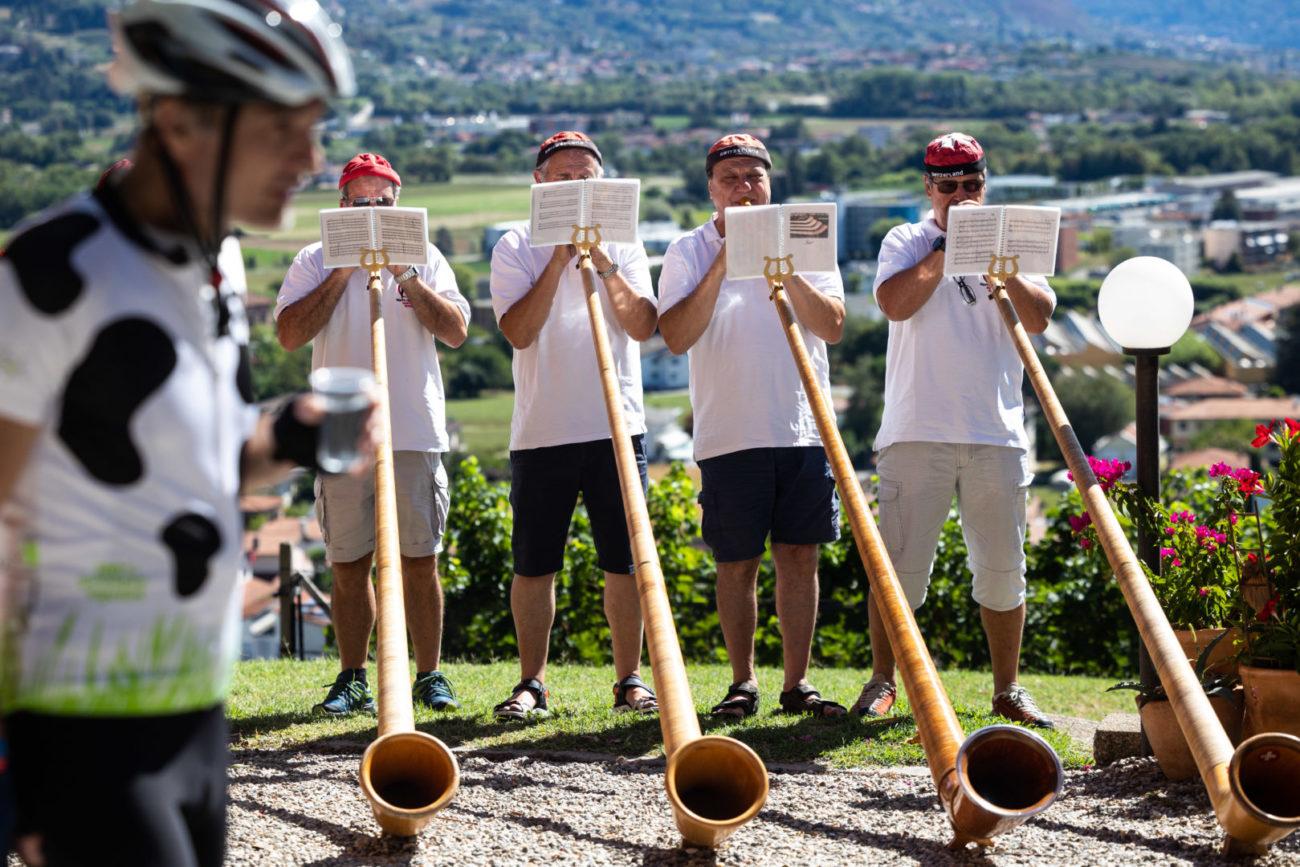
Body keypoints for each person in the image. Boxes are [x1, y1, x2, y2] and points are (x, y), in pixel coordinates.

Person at [0, 1, 357, 864]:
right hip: (79, 722)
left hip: (194, 705)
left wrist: (290, 437)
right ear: (181, 119)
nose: (311, 161)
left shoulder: (211, 262)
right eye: (283, 129)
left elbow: (203, 464)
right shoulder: (53, 273)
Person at [851, 132, 1057, 729]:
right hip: (916, 429)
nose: (961, 195)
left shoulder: (1011, 242)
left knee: (1002, 570)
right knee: (899, 571)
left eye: (971, 185)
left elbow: (1040, 317)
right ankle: (882, 682)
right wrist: (949, 247)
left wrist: (999, 266)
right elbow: (894, 304)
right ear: (928, 188)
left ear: (984, 186)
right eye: (948, 187)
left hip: (995, 431)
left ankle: (1008, 689)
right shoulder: (906, 239)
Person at [657, 134, 848, 718]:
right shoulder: (686, 250)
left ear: (770, 183)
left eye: (754, 177)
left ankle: (797, 684)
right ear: (711, 190)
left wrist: (782, 266)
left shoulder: (807, 234)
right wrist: (727, 257)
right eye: (731, 178)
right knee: (736, 563)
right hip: (730, 430)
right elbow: (676, 336)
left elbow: (833, 325)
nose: (744, 187)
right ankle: (742, 682)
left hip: (802, 427)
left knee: (800, 558)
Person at [275, 153, 471, 716]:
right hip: (343, 432)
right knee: (348, 562)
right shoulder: (313, 259)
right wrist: (343, 270)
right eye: (360, 203)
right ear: (341, 206)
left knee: (419, 559)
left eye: (382, 203)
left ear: (398, 204)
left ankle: (429, 674)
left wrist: (406, 274)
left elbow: (456, 331)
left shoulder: (426, 255)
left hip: (411, 427)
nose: (371, 212)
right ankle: (353, 676)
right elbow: (289, 334)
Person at [488, 131, 659, 719]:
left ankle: (630, 679)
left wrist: (603, 262)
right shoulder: (515, 243)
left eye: (586, 177)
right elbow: (518, 332)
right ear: (539, 183)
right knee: (535, 564)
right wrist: (560, 257)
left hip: (617, 427)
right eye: (563, 177)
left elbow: (643, 326)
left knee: (624, 562)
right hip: (543, 429)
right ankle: (531, 683)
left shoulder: (626, 242)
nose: (575, 186)